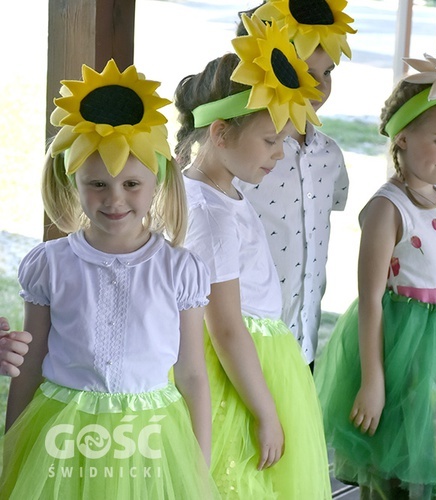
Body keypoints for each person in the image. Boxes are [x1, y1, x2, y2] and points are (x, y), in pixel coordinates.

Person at [1, 60, 218, 499]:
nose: (114, 199)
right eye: (96, 184)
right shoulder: (51, 264)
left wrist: (199, 466)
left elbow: (192, 374)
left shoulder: (179, 270)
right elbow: (29, 366)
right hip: (62, 436)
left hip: (152, 441)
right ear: (73, 181)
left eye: (131, 184)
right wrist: (13, 452)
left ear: (156, 181)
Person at [315, 52, 436, 499]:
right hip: (411, 356)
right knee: (412, 457)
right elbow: (370, 300)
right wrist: (373, 380)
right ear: (402, 137)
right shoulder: (388, 209)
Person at [174, 14, 330, 499]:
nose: (280, 154)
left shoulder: (211, 193)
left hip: (250, 357)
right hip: (237, 370)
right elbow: (224, 325)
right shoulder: (211, 214)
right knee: (240, 477)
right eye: (270, 141)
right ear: (219, 133)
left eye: (282, 141)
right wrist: (265, 412)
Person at [234, 0, 355, 366]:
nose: (319, 86)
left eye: (328, 72)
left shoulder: (329, 157)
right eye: (304, 71)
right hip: (244, 346)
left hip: (303, 345)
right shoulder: (244, 156)